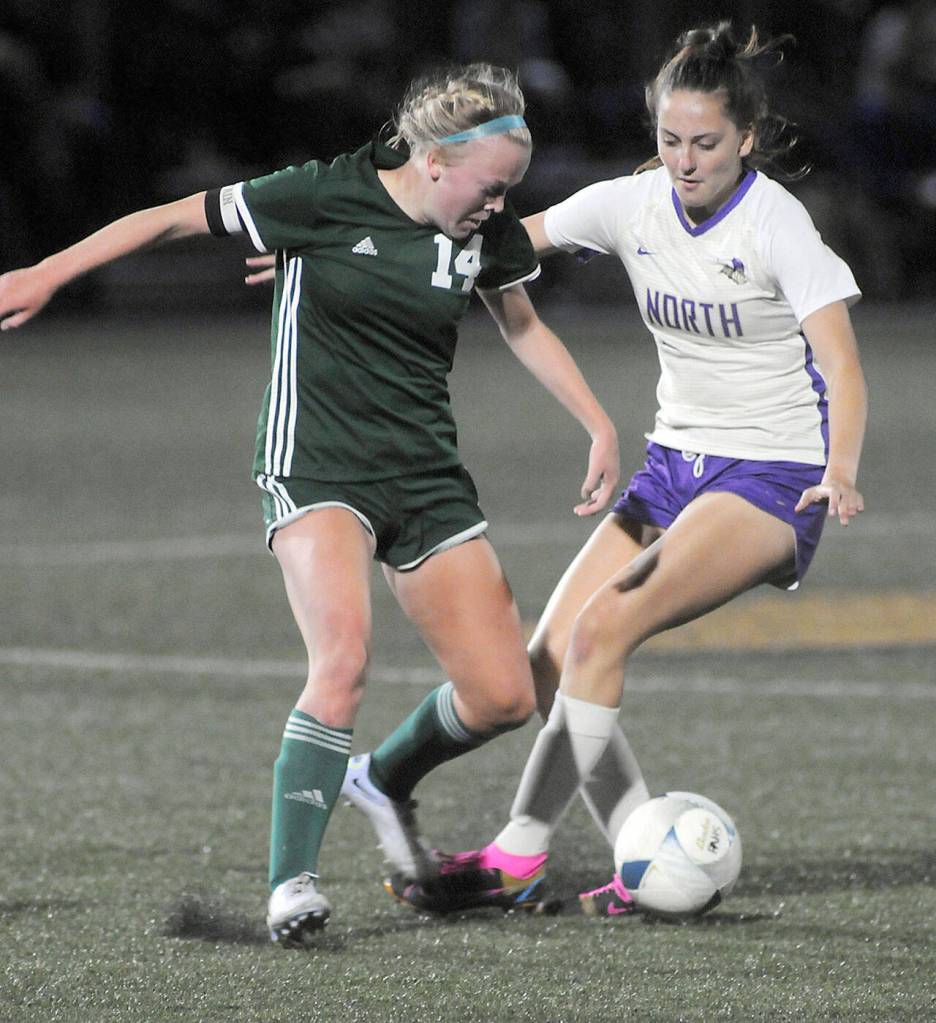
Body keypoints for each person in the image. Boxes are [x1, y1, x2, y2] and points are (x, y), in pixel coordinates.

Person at [0, 63, 621, 944]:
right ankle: (291, 883)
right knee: (343, 661)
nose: (499, 206)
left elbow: (518, 319)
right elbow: (172, 215)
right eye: (490, 188)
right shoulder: (324, 195)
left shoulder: (479, 230)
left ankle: (380, 778)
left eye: (510, 190)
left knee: (502, 696)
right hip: (316, 463)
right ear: (435, 161)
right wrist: (45, 274)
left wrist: (596, 421)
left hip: (425, 475)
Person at [382, 23, 868, 919]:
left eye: (707, 143)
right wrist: (375, 248)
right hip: (672, 470)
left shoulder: (776, 224)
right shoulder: (632, 204)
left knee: (605, 632)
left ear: (748, 140)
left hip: (771, 475)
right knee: (550, 663)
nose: (685, 160)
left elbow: (839, 360)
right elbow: (498, 240)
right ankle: (648, 850)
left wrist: (839, 467)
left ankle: (518, 856)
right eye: (670, 139)